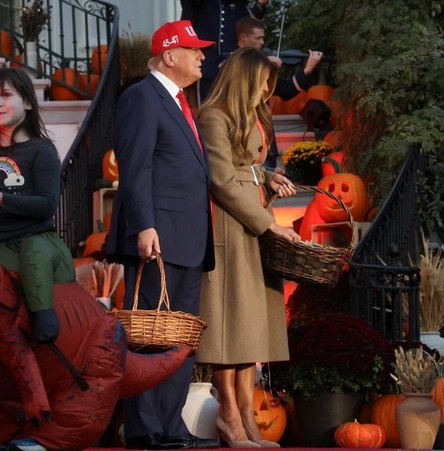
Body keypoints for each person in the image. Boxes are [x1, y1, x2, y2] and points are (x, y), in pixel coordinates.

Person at [105, 20, 218, 450]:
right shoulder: (142, 97)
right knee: (150, 336)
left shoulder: (179, 102)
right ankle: (146, 430)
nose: (202, 56)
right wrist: (144, 225)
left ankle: (172, 428)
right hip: (158, 238)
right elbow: (135, 167)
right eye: (194, 49)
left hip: (189, 240)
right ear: (169, 55)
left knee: (178, 339)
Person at [195, 46, 301, 448]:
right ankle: (230, 417)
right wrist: (269, 224)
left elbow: (247, 167)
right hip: (230, 223)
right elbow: (222, 180)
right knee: (231, 323)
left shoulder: (252, 114)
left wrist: (269, 177)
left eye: (269, 84)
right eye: (260, 83)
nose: (265, 91)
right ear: (242, 80)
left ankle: (246, 415)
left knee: (248, 326)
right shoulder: (214, 116)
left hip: (253, 217)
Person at [0, 67, 74, 343]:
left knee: (34, 251)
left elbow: (47, 206)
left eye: (6, 95)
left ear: (28, 103)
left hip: (41, 241)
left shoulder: (42, 150)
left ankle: (44, 317)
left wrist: (0, 198)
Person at [180, 0, 269, 104]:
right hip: (208, 66)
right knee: (206, 106)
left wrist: (259, 5)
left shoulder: (239, 4)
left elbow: (249, 26)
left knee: (234, 105)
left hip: (233, 67)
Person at [235, 17, 323, 102]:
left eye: (262, 38)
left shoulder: (261, 62)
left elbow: (285, 91)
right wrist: (264, 70)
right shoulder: (232, 62)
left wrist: (307, 70)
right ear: (243, 37)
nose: (262, 42)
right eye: (258, 38)